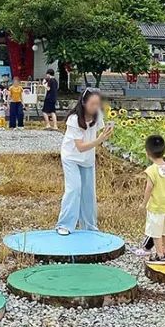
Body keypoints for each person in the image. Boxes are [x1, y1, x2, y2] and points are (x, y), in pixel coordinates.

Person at [55, 87, 114, 235]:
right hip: (71, 157)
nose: (95, 107)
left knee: (88, 193)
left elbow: (98, 132)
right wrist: (99, 140)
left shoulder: (97, 115)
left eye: (97, 104)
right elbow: (80, 147)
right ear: (83, 103)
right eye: (92, 104)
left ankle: (89, 226)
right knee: (74, 189)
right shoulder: (73, 119)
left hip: (87, 159)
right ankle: (65, 225)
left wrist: (106, 133)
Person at [143, 134, 165, 265]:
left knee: (155, 233)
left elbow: (149, 188)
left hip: (156, 207)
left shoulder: (152, 170)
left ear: (148, 153)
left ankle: (159, 255)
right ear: (164, 151)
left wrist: (144, 203)